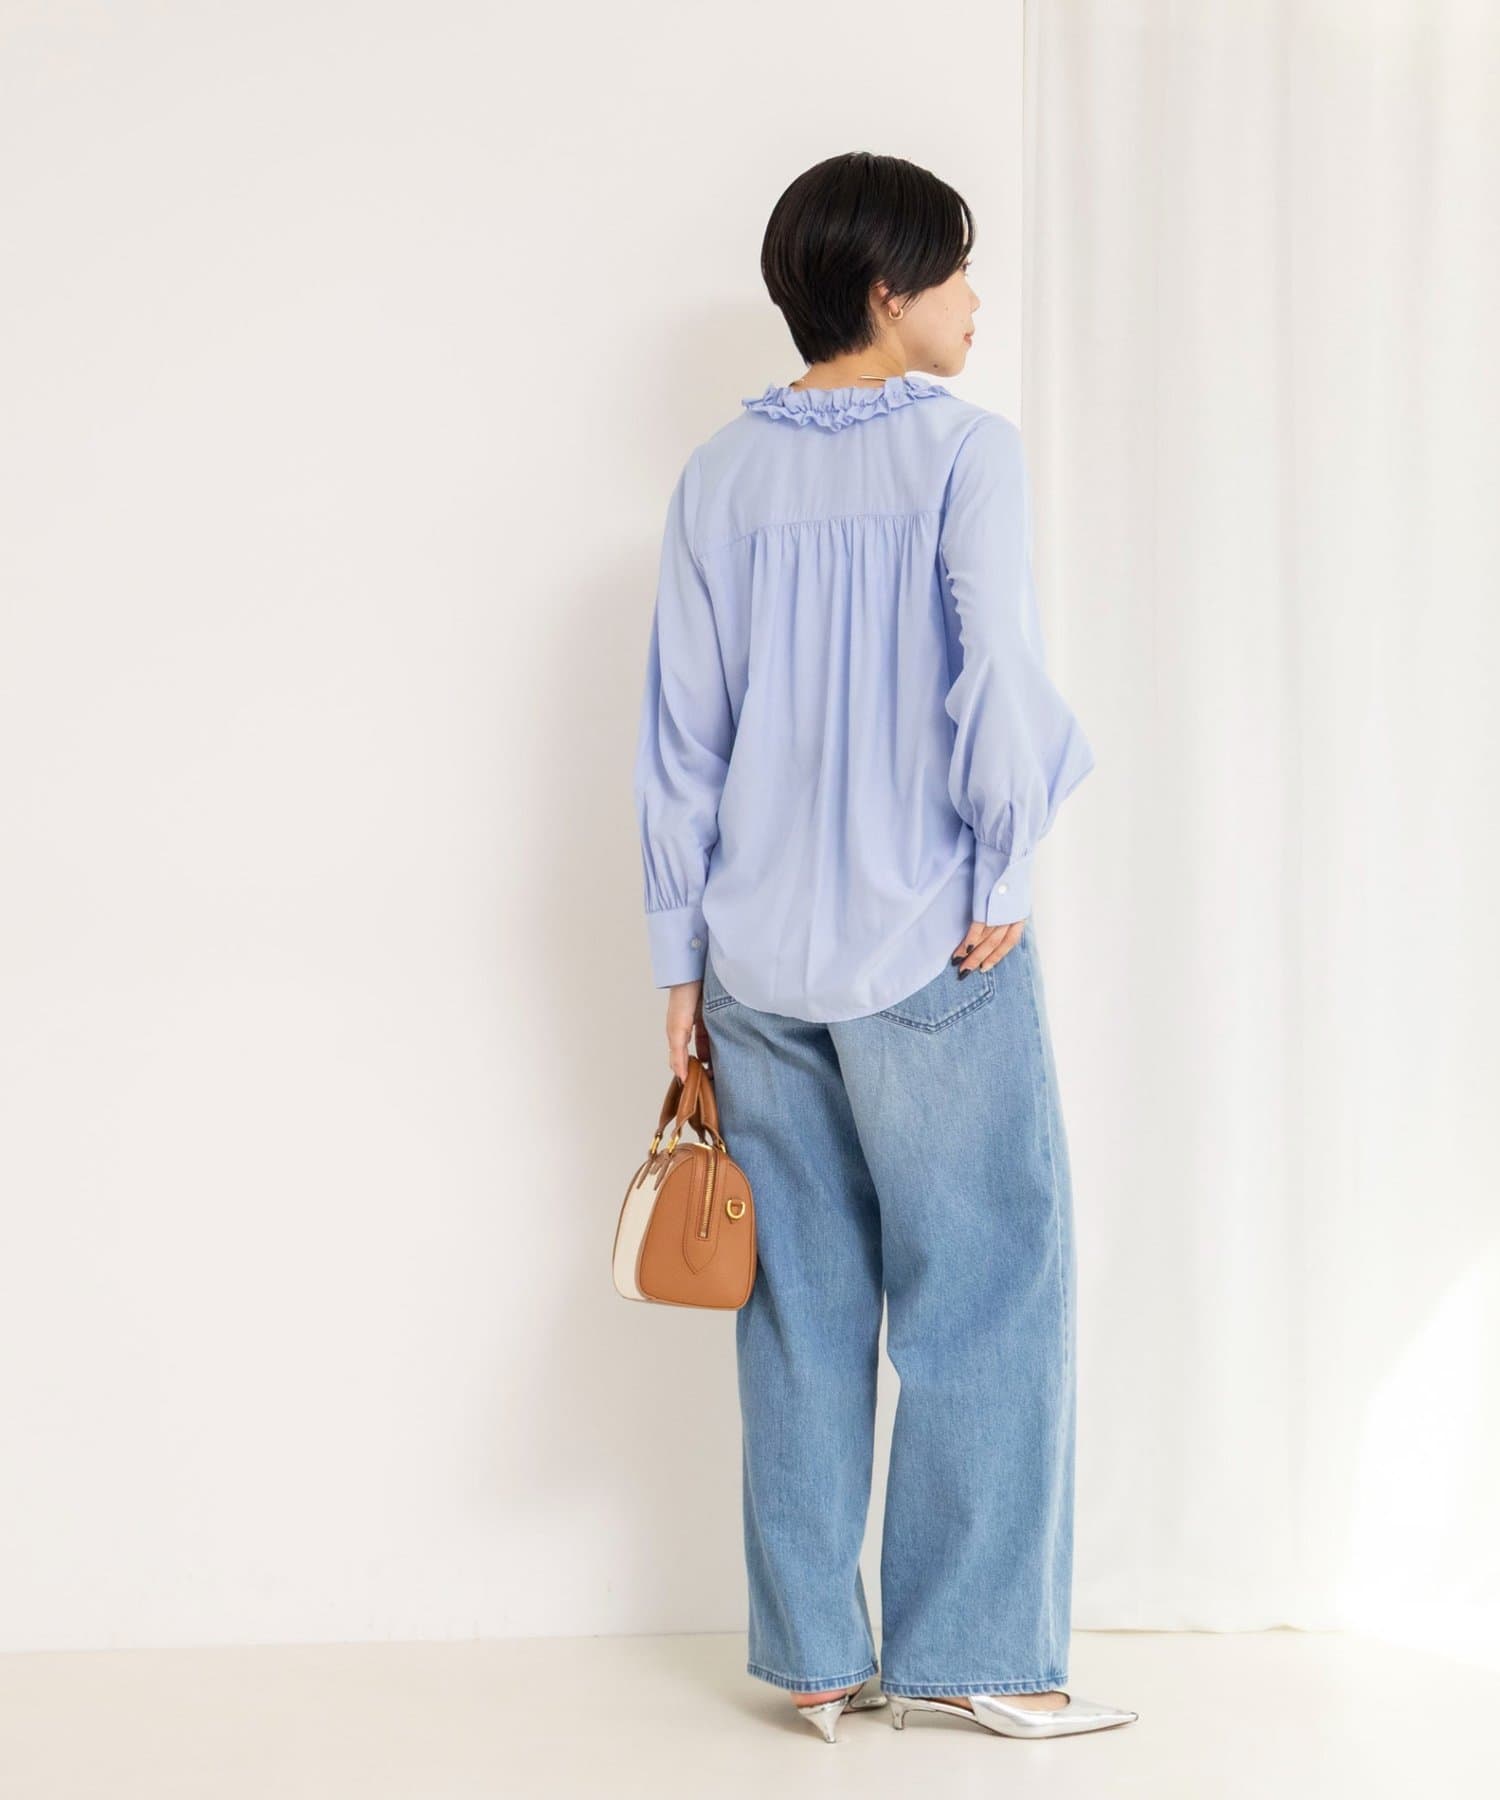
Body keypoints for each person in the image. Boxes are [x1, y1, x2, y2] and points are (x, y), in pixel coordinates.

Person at [631, 150, 1137, 1745]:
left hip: (753, 961)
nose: (977, 300)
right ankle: (980, 1656)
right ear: (884, 290)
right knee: (987, 1286)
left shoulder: (717, 477)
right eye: (957, 269)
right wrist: (1008, 856)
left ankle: (813, 1661)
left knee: (798, 1305)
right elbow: (999, 671)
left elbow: (681, 742)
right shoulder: (967, 454)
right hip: (934, 942)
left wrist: (677, 966)